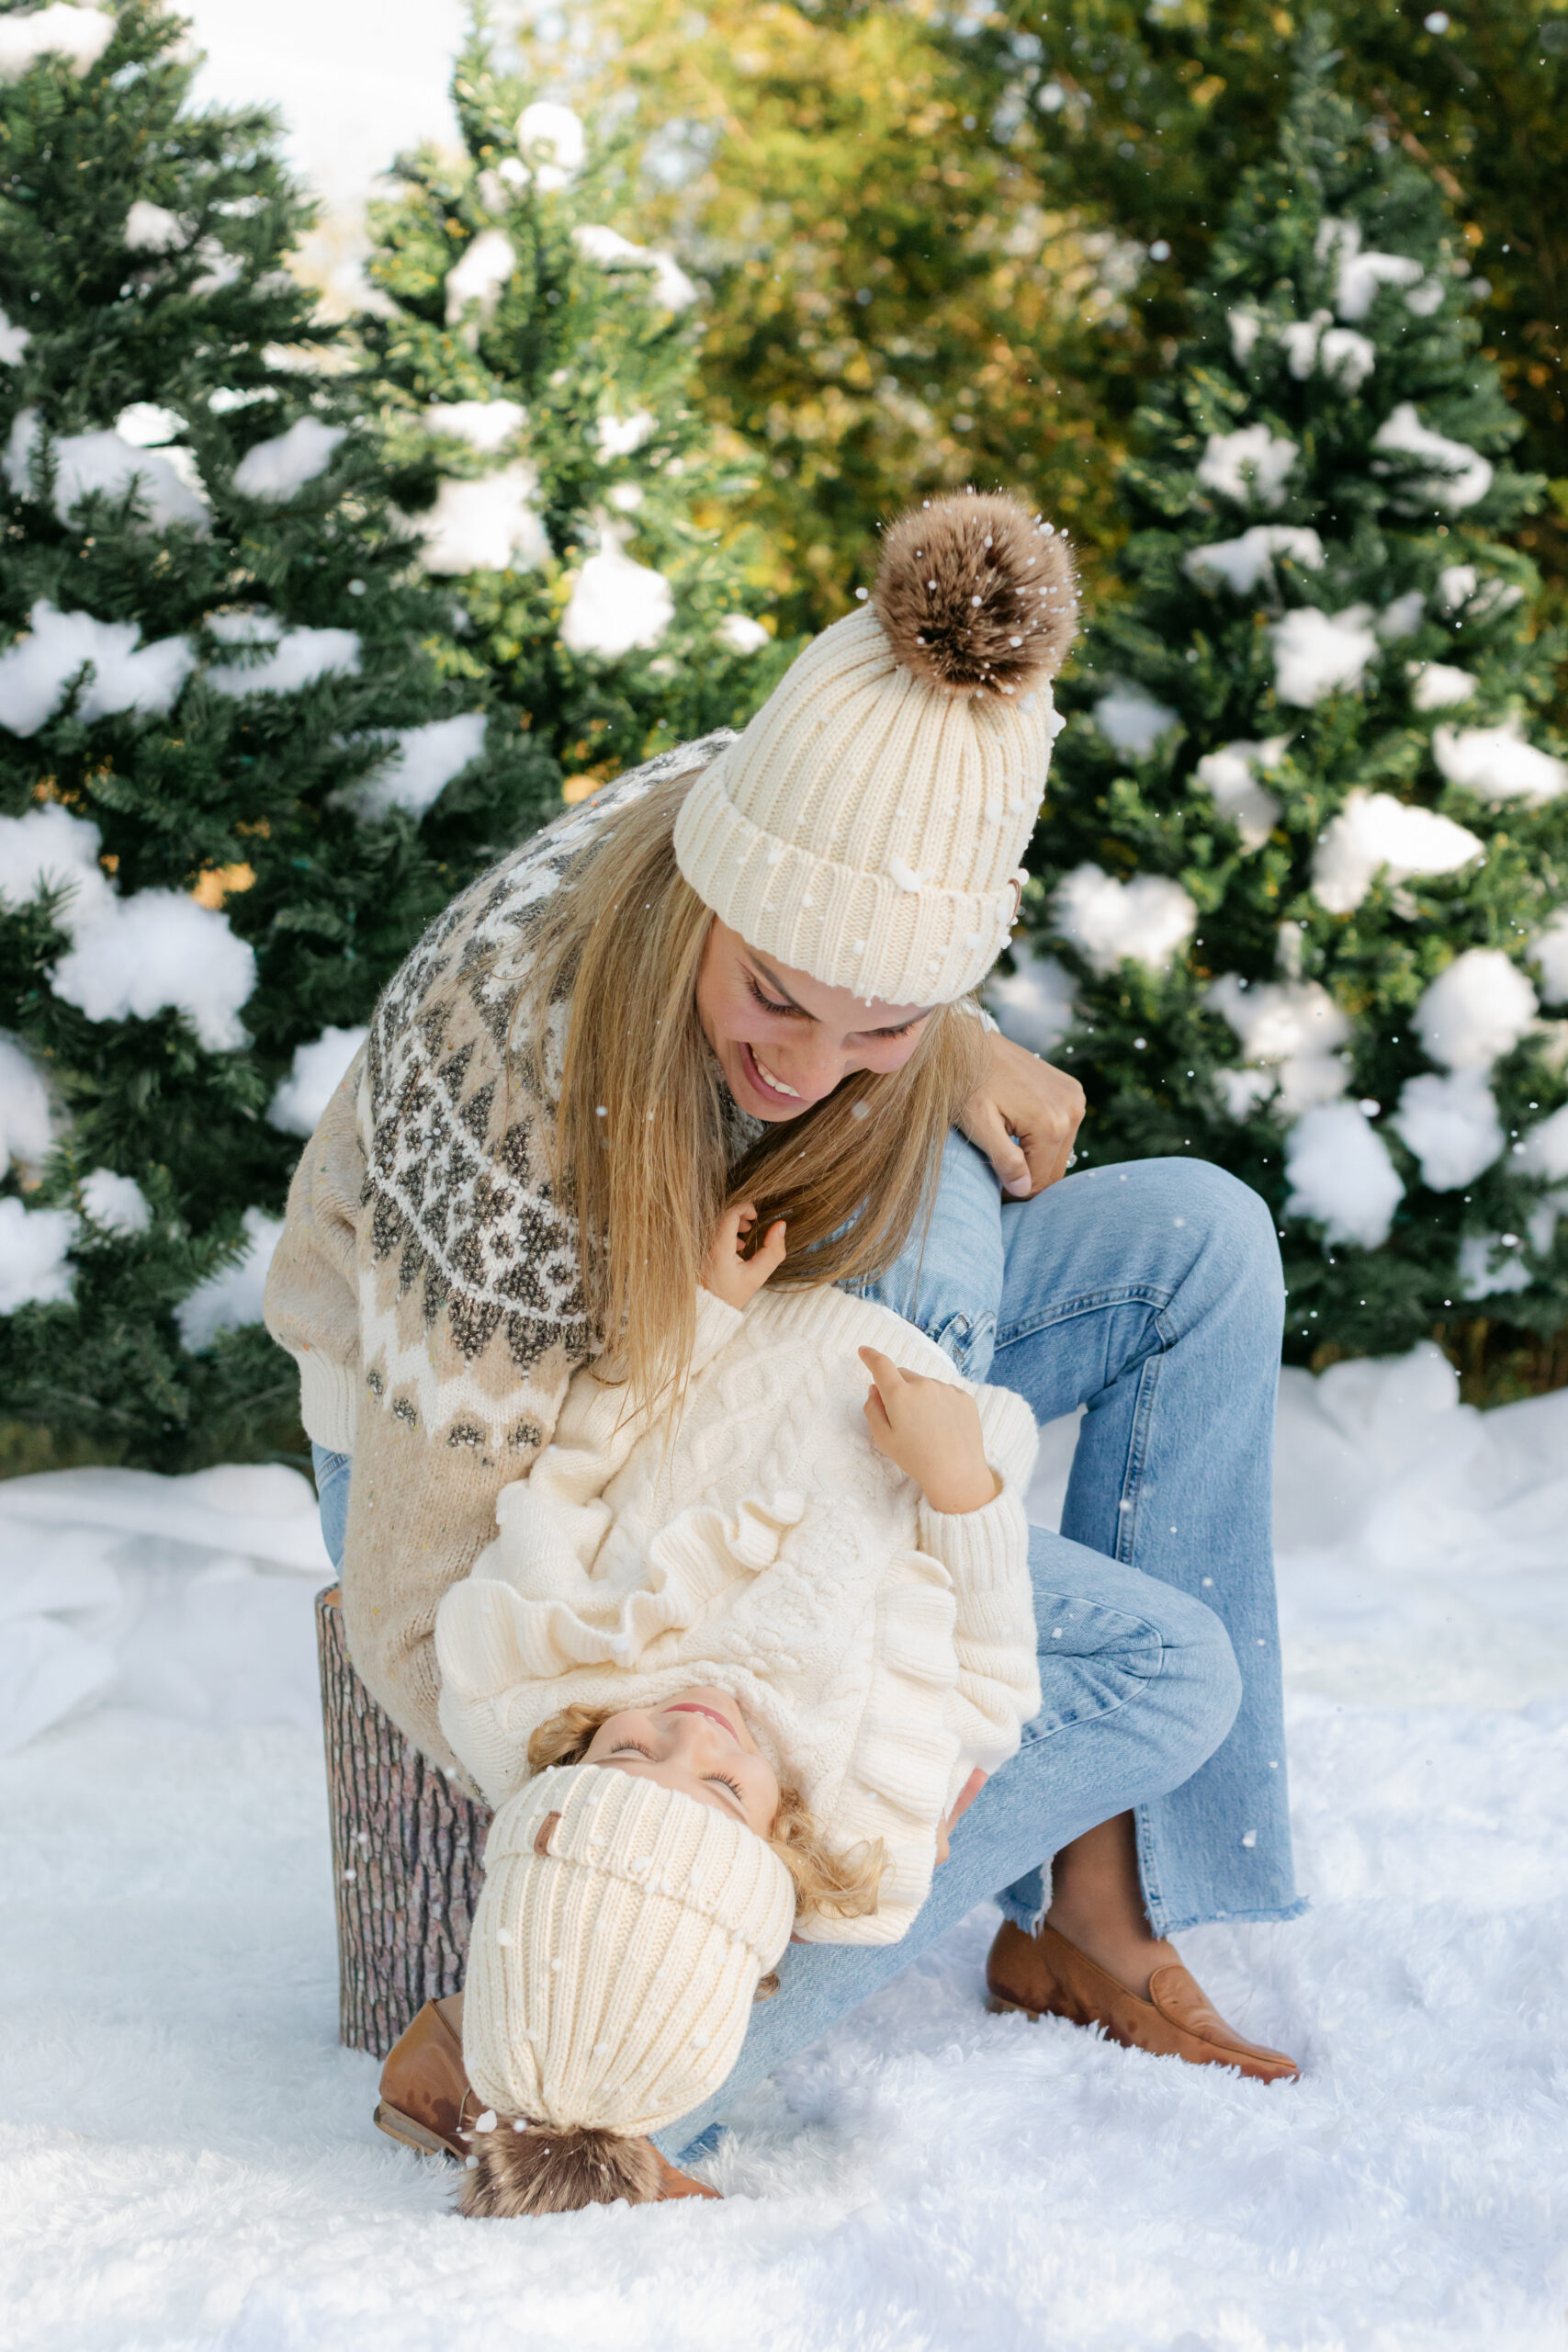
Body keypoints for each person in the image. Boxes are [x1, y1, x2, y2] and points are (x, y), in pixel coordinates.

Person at [267, 487, 1301, 2197]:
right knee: (1147, 1666)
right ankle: (633, 2081)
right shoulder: (519, 1097)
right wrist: (711, 1750)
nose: (810, 1068)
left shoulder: (815, 801)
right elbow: (420, 1596)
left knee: (1202, 1242)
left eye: (880, 1020)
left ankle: (1098, 1922)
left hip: (759, 1343)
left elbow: (855, 973)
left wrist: (943, 1049)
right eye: (775, 1002)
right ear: (709, 897)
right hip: (479, 1449)